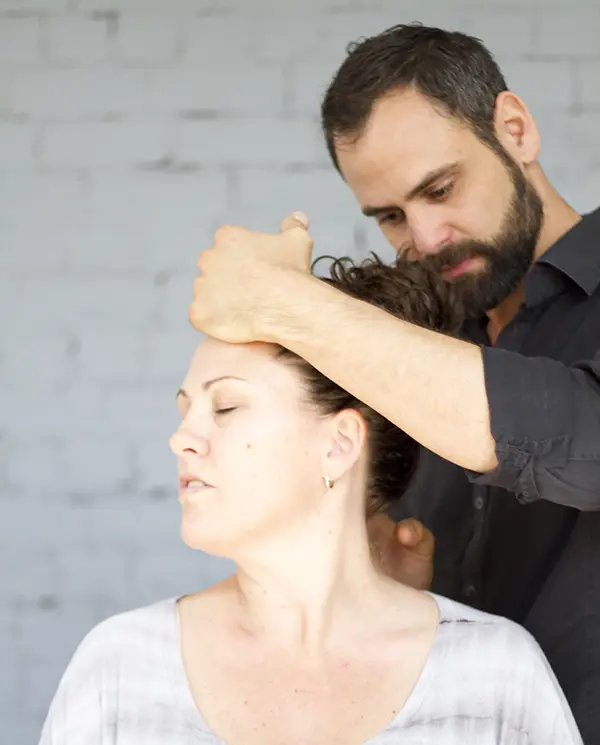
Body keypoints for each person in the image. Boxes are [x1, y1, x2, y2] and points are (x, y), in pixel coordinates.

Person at [187, 24, 600, 742]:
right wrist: (395, 595)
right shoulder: (412, 352)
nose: (427, 237)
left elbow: (587, 439)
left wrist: (287, 304)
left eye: (441, 188)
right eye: (390, 216)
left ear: (516, 130)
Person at [39, 254, 581, 744]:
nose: (181, 438)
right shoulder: (120, 666)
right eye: (185, 409)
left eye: (225, 407)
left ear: (338, 445)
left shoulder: (495, 677)